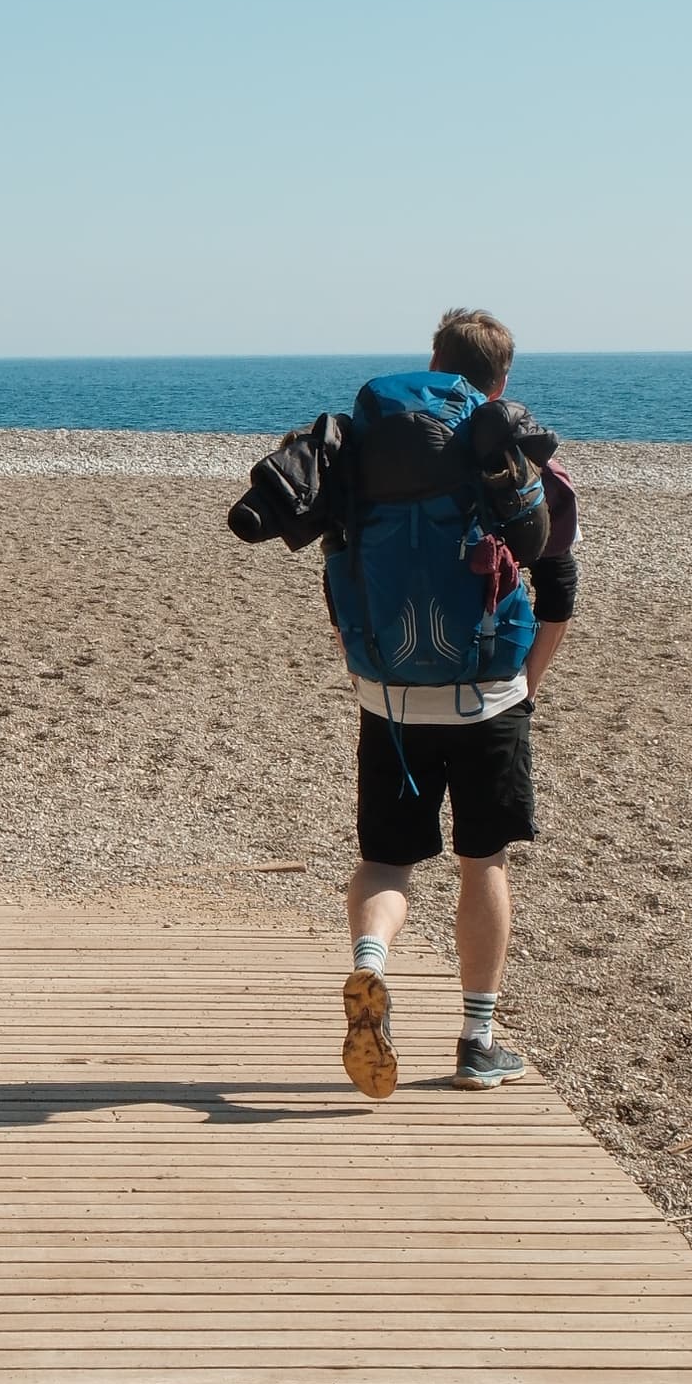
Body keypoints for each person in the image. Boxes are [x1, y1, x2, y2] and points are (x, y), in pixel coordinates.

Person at [226, 307, 580, 1098]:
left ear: (433, 360)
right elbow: (556, 589)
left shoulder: (364, 447)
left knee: (386, 858)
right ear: (501, 378)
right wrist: (526, 687)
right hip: (487, 692)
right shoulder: (516, 455)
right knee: (480, 860)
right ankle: (477, 1039)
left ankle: (369, 968)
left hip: (386, 693)